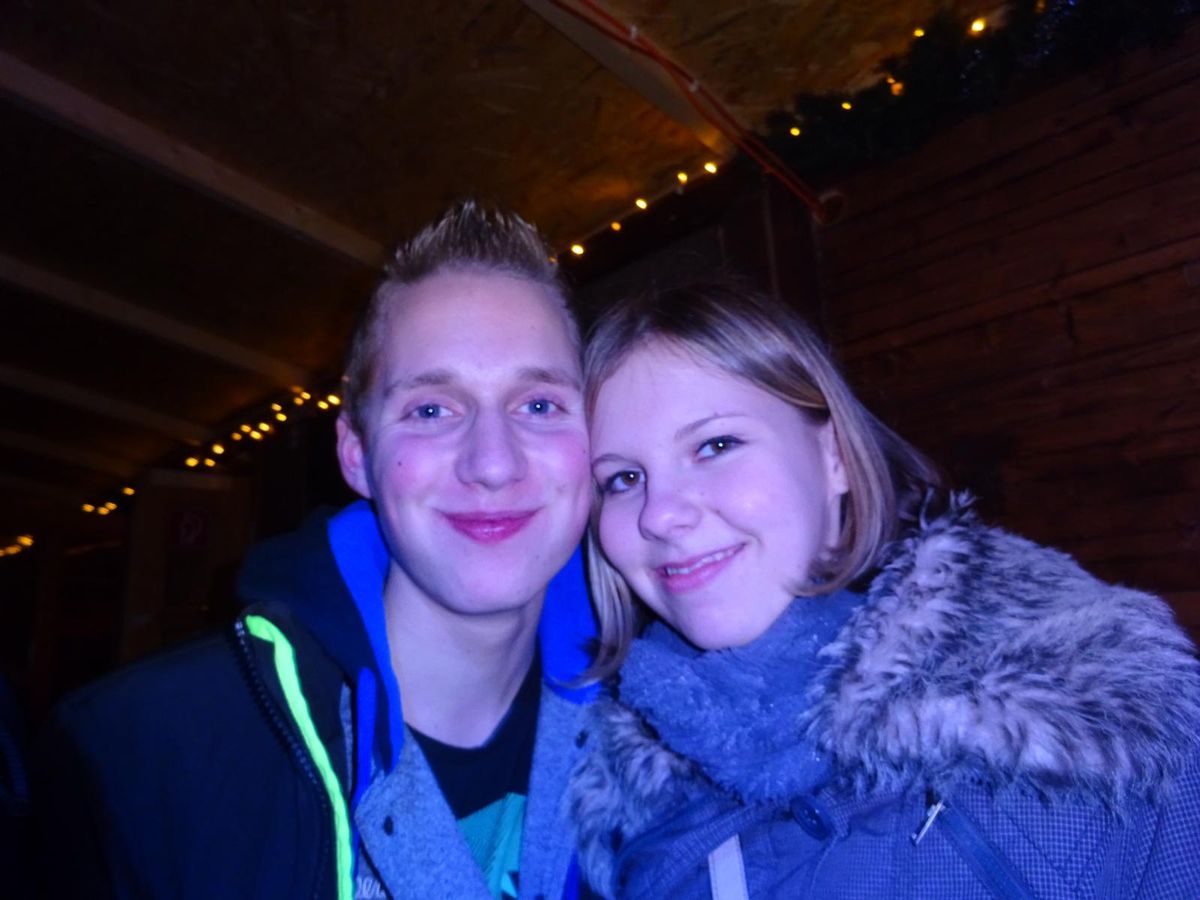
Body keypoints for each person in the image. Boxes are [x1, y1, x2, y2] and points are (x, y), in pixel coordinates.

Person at [34, 201, 598, 900]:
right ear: (356, 453)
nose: (492, 463)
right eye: (431, 410)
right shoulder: (139, 760)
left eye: (539, 405)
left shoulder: (660, 739)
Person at [564, 280, 1200, 899]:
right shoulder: (622, 813)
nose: (660, 514)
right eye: (623, 479)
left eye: (716, 444)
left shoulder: (1106, 725)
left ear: (835, 457)